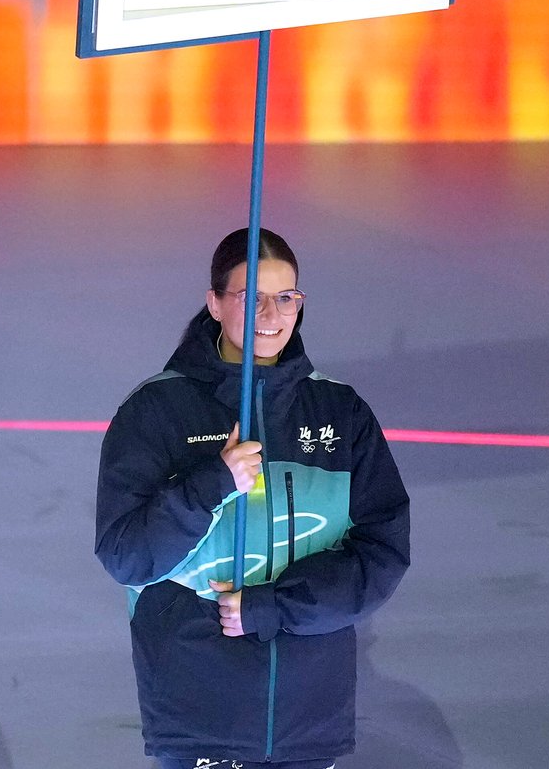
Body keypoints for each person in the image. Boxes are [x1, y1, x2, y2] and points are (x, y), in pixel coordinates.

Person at [94, 227, 411, 769]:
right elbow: (127, 556)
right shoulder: (156, 410)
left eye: (286, 297)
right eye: (251, 297)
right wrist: (211, 483)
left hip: (309, 720)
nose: (272, 313)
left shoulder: (340, 410)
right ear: (214, 303)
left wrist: (272, 607)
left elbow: (383, 553)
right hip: (200, 715)